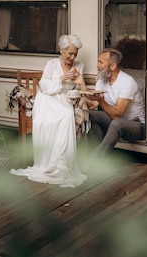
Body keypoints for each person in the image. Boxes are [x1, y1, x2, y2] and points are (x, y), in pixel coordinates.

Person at [10, 34, 88, 188]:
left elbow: (77, 88)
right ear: (61, 50)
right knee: (63, 115)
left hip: (65, 99)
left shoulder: (79, 65)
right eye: (70, 53)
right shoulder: (51, 64)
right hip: (47, 99)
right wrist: (63, 77)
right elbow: (44, 87)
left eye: (75, 54)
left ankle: (61, 163)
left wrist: (78, 85)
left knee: (67, 115)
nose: (72, 57)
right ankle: (49, 163)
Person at [85, 48, 145, 156]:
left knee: (116, 124)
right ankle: (94, 150)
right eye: (98, 61)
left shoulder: (127, 82)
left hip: (136, 125)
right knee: (89, 114)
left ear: (112, 66)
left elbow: (118, 114)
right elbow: (93, 105)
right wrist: (83, 96)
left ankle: (95, 159)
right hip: (114, 121)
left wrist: (100, 100)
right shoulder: (101, 80)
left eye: (101, 62)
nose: (97, 65)